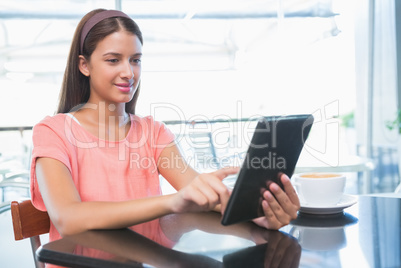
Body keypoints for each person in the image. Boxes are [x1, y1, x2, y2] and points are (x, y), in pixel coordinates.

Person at [30, 8, 300, 245]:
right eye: (114, 60)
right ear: (84, 65)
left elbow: (198, 192)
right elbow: (68, 218)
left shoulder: (153, 132)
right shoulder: (53, 132)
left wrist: (259, 213)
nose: (129, 72)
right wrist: (172, 201)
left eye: (135, 60)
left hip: (147, 260)